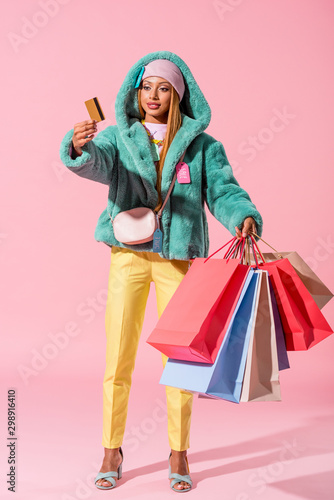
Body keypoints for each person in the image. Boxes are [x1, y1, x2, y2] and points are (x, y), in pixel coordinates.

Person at [59, 50, 263, 493]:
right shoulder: (119, 137)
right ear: (137, 91)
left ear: (179, 94)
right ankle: (111, 449)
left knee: (181, 361)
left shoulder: (203, 147)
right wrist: (78, 147)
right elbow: (94, 163)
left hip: (177, 259)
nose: (153, 95)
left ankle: (179, 452)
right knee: (118, 357)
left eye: (164, 88)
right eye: (147, 86)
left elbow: (225, 191)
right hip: (128, 256)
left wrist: (242, 215)